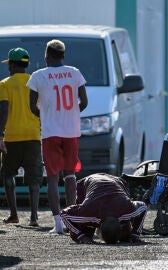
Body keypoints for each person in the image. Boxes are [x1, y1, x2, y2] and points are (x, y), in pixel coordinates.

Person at [28, 39, 88, 234]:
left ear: (47, 55)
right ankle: (72, 221)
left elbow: (32, 107)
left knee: (52, 179)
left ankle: (58, 225)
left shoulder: (38, 76)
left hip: (50, 132)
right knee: (70, 176)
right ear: (63, 55)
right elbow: (84, 102)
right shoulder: (75, 73)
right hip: (71, 132)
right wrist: (70, 115)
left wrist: (47, 116)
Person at [0, 48, 43, 226]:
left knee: (8, 175)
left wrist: (0, 134)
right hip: (33, 135)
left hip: (12, 136)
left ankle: (14, 215)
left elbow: (3, 111)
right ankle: (34, 217)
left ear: (12, 64)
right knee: (34, 178)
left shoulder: (5, 84)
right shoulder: (36, 83)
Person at [60, 173, 147, 244]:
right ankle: (84, 234)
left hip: (117, 181)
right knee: (84, 235)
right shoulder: (89, 211)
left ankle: (126, 234)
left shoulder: (127, 209)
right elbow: (64, 214)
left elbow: (143, 207)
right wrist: (81, 236)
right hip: (88, 182)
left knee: (126, 237)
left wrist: (135, 234)